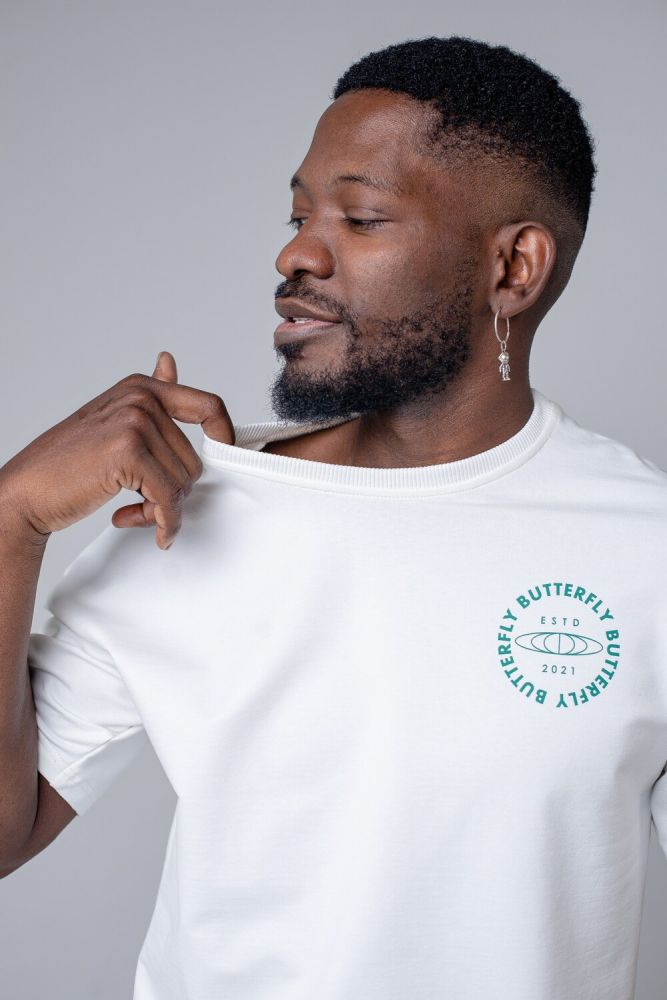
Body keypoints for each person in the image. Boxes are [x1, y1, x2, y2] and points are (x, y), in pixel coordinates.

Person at [0, 33, 664, 1000]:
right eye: (298, 214)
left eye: (360, 218)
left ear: (513, 267)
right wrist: (11, 519)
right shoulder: (180, 509)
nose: (295, 253)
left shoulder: (646, 548)